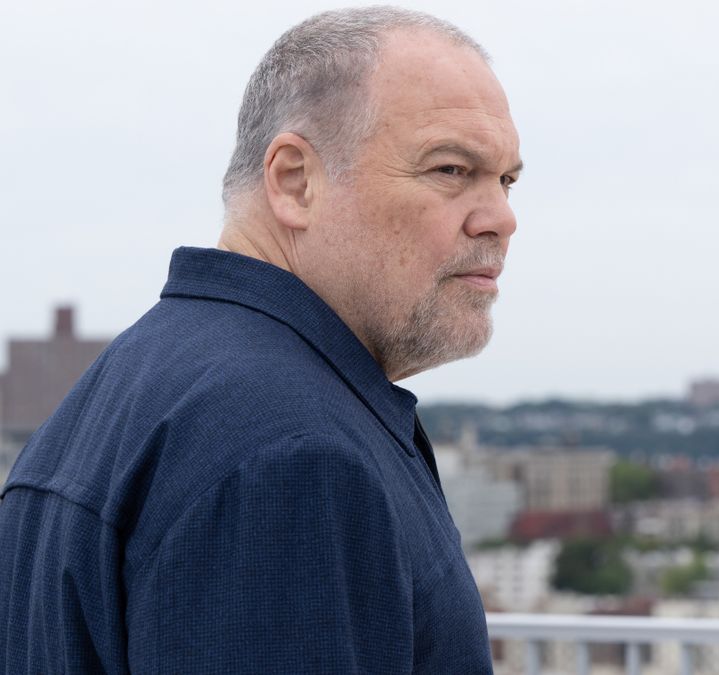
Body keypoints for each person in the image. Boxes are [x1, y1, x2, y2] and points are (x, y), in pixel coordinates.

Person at [0, 7, 521, 673]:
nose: (502, 218)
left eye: (506, 179)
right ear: (294, 181)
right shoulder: (290, 451)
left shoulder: (128, 387)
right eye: (451, 169)